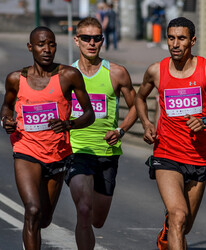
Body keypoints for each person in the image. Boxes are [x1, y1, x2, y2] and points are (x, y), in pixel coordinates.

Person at [135, 17, 206, 250]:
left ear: (192, 41)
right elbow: (139, 97)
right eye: (171, 38)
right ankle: (172, 226)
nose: (175, 44)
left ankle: (166, 234)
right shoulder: (156, 70)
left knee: (185, 224)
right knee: (179, 216)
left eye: (181, 38)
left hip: (198, 156)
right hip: (166, 154)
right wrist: (146, 123)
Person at [0, 26, 95, 250]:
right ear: (30, 47)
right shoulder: (16, 79)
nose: (47, 49)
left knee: (44, 219)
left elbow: (89, 114)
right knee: (32, 210)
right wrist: (6, 120)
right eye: (41, 44)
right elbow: (6, 106)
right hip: (26, 151)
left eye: (51, 44)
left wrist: (68, 124)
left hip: (57, 155)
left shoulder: (69, 76)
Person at [64, 17, 137, 250]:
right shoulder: (65, 75)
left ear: (102, 41)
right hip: (76, 151)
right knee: (84, 211)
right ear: (77, 40)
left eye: (96, 38)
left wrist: (121, 130)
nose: (91, 43)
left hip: (107, 153)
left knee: (98, 220)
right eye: (86, 38)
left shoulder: (116, 73)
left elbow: (137, 106)